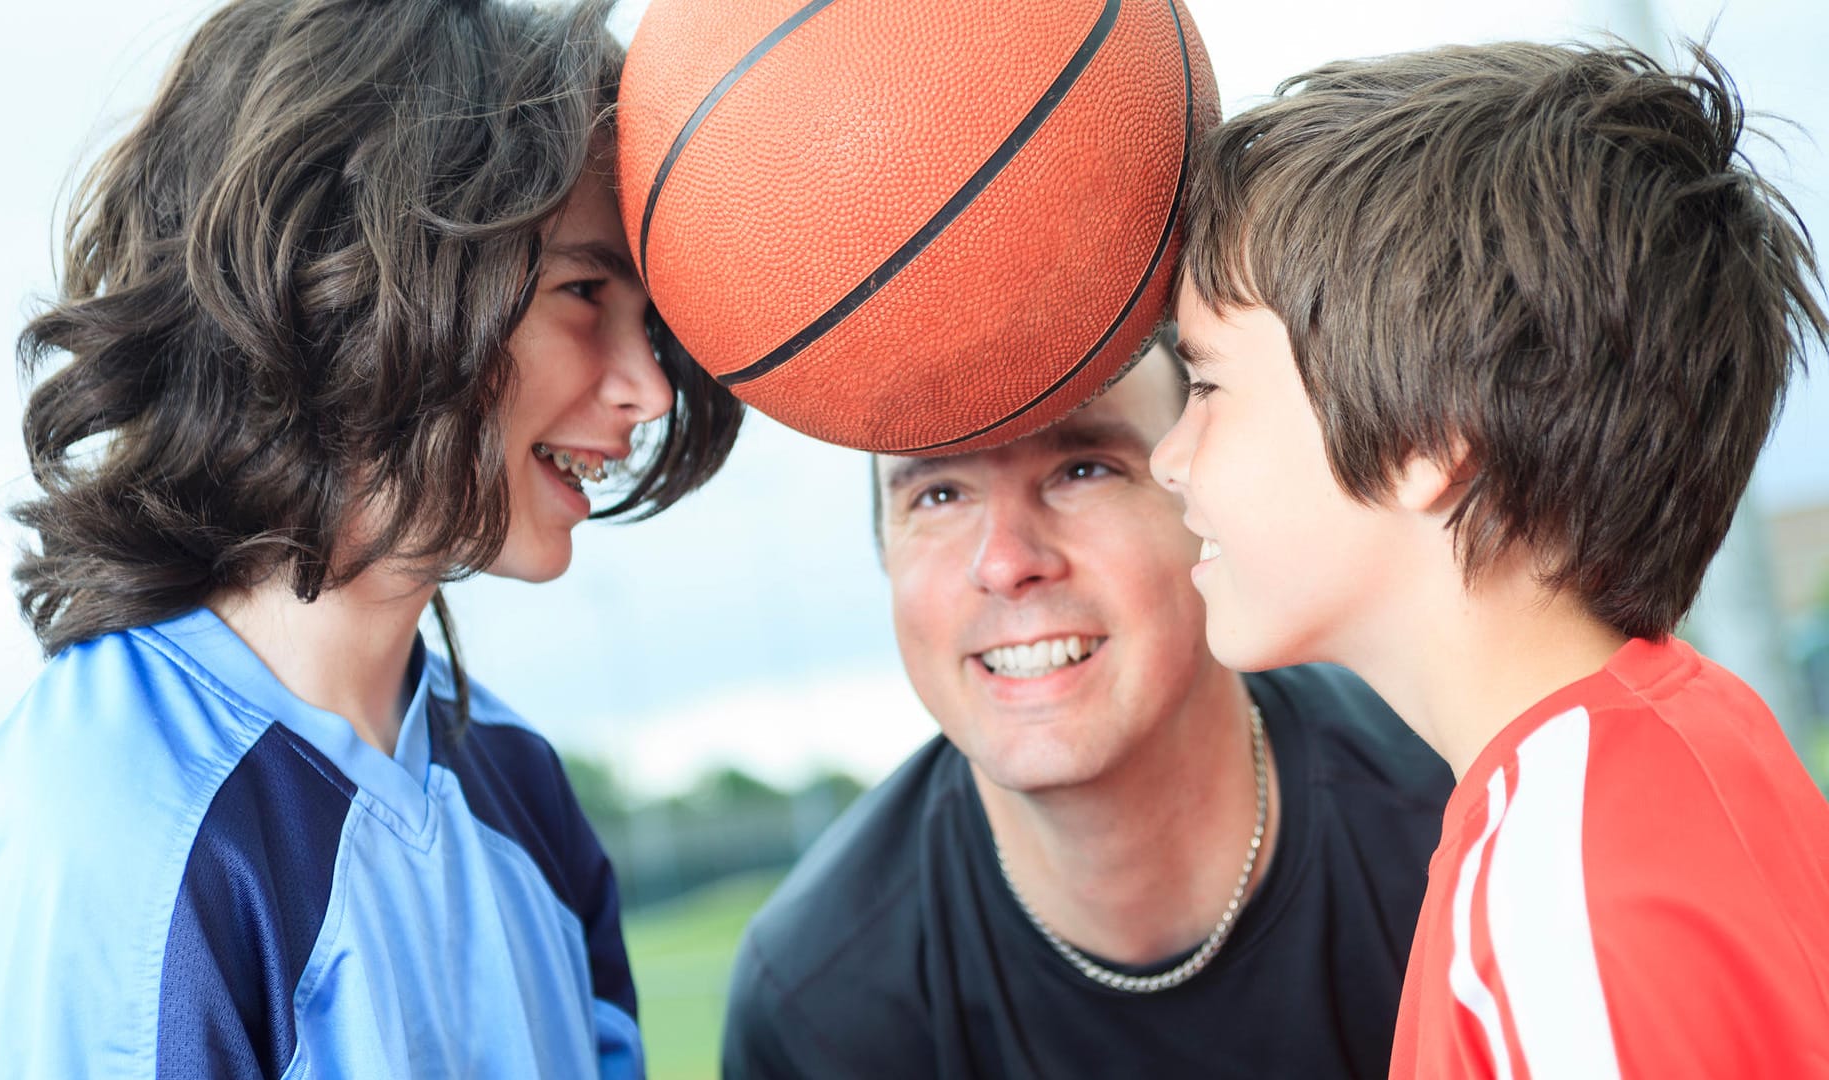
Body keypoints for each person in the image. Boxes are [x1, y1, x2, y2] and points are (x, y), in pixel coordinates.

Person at [0, 0, 742, 1076]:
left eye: (653, 328)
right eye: (586, 292)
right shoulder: (111, 833)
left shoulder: (517, 782)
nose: (646, 390)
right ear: (353, 281)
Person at [1150, 41, 1829, 1078]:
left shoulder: (1552, 906)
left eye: (1205, 387)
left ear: (1431, 440)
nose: (1168, 457)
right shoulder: (1697, 734)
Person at [721, 341, 1453, 1078]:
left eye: (1083, 470)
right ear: (885, 553)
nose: (1005, 563)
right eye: (938, 494)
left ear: (1206, 509)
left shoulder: (1457, 819)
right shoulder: (817, 1008)